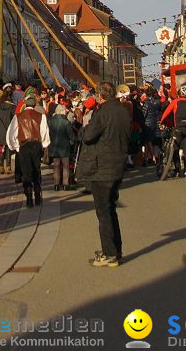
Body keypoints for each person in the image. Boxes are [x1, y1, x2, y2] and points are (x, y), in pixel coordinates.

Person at [78, 82, 131, 268]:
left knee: (104, 213)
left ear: (100, 96)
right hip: (118, 164)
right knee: (111, 209)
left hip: (102, 167)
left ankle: (109, 254)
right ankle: (115, 250)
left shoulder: (103, 112)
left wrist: (83, 128)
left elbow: (88, 136)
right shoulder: (123, 111)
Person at [6, 91, 50, 207]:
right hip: (35, 145)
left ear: (25, 104)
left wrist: (15, 146)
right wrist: (44, 145)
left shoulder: (18, 116)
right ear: (35, 105)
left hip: (24, 146)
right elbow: (44, 132)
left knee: (26, 172)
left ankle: (29, 198)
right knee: (36, 170)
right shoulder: (41, 116)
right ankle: (37, 196)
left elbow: (11, 133)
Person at [160, 85, 186, 177]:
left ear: (179, 94)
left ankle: (177, 169)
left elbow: (166, 112)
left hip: (178, 128)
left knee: (175, 148)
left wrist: (162, 122)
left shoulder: (175, 102)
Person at [48, 104, 74, 190]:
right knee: (66, 166)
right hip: (64, 147)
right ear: (62, 111)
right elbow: (71, 136)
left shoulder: (51, 121)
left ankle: (56, 185)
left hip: (54, 146)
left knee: (56, 166)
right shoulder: (67, 122)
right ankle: (65, 184)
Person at [0, 90, 15, 174]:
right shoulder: (12, 107)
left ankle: (1, 166)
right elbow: (14, 120)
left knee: (1, 149)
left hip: (0, 130)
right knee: (8, 149)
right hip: (8, 129)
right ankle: (8, 166)